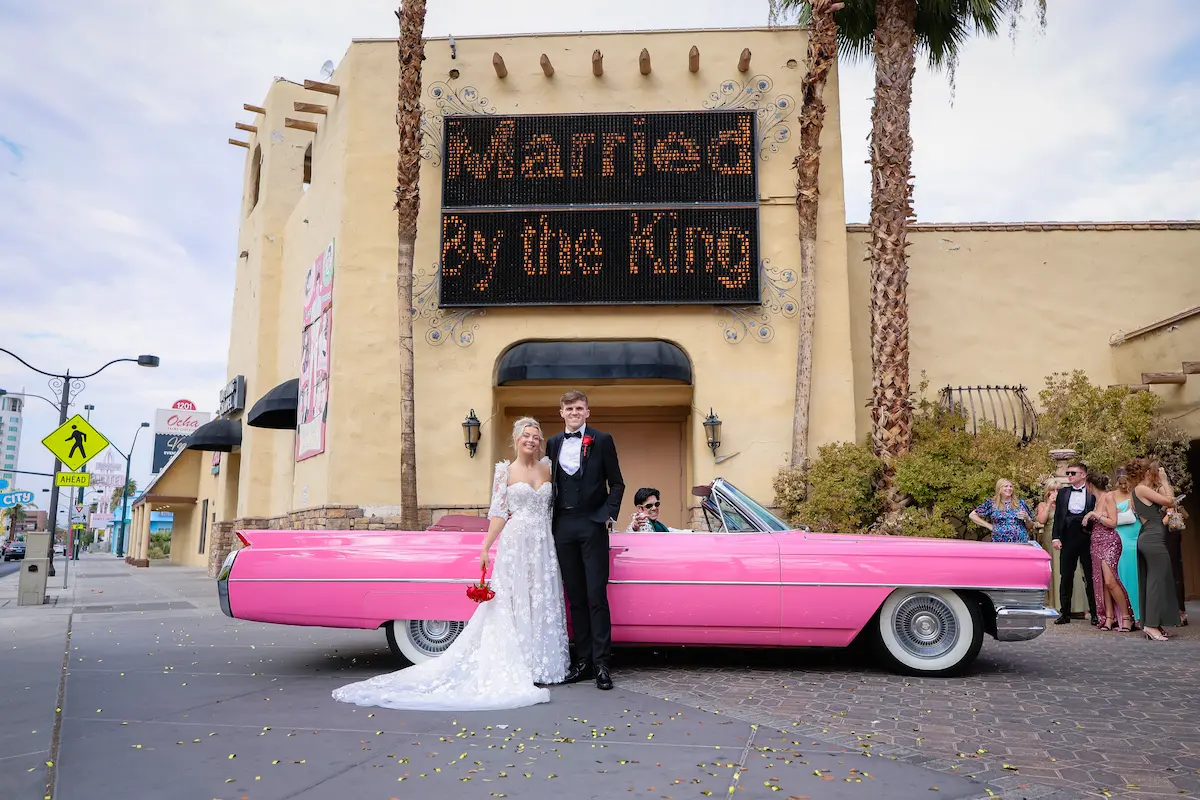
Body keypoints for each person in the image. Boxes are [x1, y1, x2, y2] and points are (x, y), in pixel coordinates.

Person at [331, 417, 569, 710]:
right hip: (516, 543)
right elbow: (499, 513)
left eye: (535, 436)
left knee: (541, 599)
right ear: (516, 439)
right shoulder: (504, 472)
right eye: (526, 435)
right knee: (515, 600)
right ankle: (520, 664)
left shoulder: (547, 468)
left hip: (543, 544)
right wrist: (486, 547)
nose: (531, 440)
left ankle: (541, 664)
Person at [546, 390, 625, 691]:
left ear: (587, 412)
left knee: (596, 595)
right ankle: (583, 662)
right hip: (563, 526)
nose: (574, 412)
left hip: (592, 525)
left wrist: (608, 514)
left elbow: (617, 483)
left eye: (579, 408)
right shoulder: (553, 443)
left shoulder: (602, 440)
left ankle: (602, 664)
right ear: (561, 412)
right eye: (569, 408)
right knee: (575, 597)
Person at [1127, 458, 1181, 641]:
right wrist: (1165, 481)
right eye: (1156, 471)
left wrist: (1162, 486)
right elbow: (1171, 501)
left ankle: (1154, 623)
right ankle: (1150, 625)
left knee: (1157, 580)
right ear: (1148, 473)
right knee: (1156, 581)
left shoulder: (1141, 491)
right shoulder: (1141, 489)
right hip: (1152, 540)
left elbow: (1165, 504)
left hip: (1151, 537)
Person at [1082, 472, 1133, 631]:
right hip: (1096, 542)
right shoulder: (1096, 501)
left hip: (1110, 541)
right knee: (1103, 582)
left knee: (1111, 581)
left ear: (1090, 485)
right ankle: (1109, 618)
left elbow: (1113, 522)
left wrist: (1094, 514)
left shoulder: (1108, 497)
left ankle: (1126, 617)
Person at [1051, 461, 1098, 625]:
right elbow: (1058, 516)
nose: (1069, 476)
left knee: (1091, 576)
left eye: (1073, 473)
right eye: (1068, 473)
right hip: (1068, 536)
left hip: (1087, 536)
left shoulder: (1092, 492)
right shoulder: (1063, 493)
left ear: (1083, 475)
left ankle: (1095, 613)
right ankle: (1065, 613)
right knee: (1066, 575)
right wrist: (1056, 537)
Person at [1112, 470, 1142, 626]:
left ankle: (1140, 614)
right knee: (1124, 572)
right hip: (1121, 535)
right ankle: (1127, 614)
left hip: (1136, 533)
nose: (1124, 486)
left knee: (1137, 573)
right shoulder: (1111, 495)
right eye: (1121, 483)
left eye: (1126, 483)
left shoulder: (1137, 493)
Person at [969, 479, 1034, 543]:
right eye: (1006, 486)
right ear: (999, 489)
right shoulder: (992, 504)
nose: (1009, 488)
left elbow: (1030, 526)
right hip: (1000, 541)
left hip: (1020, 541)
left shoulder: (1020, 503)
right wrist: (989, 526)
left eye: (1011, 486)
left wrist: (1027, 519)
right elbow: (972, 515)